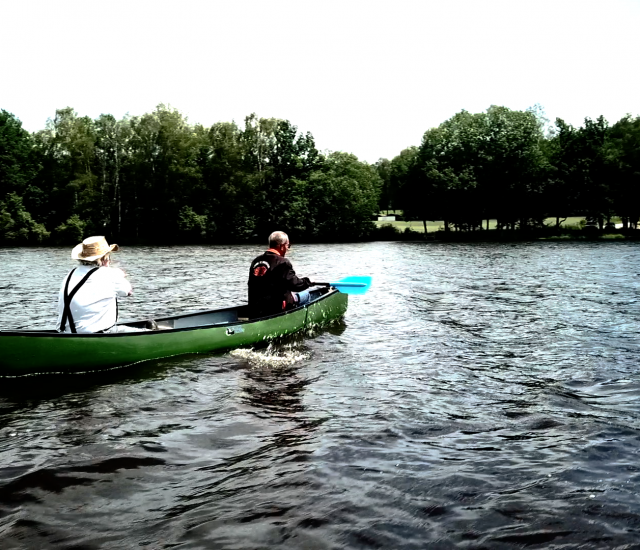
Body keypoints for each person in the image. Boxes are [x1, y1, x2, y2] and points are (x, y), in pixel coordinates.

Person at [56, 236, 141, 333]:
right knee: (144, 331)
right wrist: (120, 275)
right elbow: (128, 292)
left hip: (65, 332)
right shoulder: (109, 274)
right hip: (96, 333)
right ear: (105, 257)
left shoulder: (70, 273)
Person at [248, 231, 312, 317]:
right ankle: (298, 321)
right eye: (288, 246)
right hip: (275, 309)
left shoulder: (256, 261)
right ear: (282, 246)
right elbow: (296, 285)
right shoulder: (282, 262)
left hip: (255, 309)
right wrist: (308, 281)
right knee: (307, 295)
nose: (288, 249)